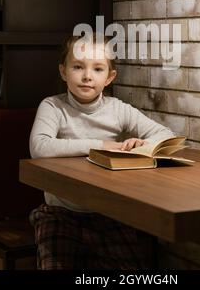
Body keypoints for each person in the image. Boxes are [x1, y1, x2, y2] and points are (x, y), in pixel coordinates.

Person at [29, 33, 176, 270]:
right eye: (78, 67)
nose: (87, 76)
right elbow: (39, 146)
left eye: (98, 69)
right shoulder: (53, 106)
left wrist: (141, 145)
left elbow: (166, 134)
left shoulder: (117, 109)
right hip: (60, 212)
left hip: (109, 212)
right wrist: (100, 144)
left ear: (110, 77)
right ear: (63, 71)